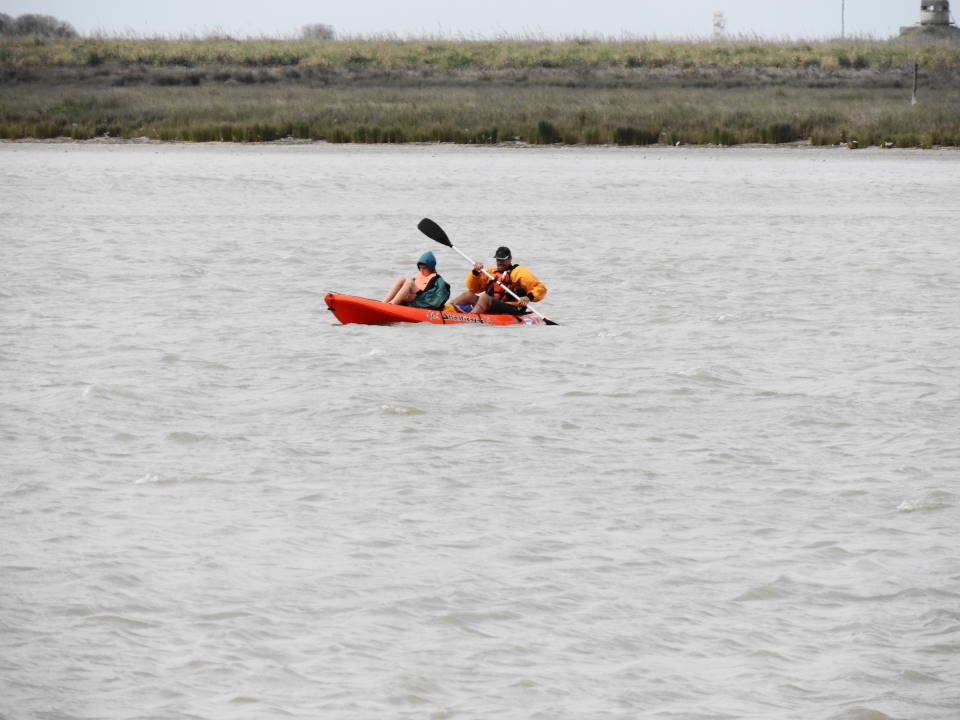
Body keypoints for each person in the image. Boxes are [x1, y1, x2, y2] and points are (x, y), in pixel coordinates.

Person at [450, 246, 547, 315]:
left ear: (510, 259)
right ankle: (447, 310)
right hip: (493, 305)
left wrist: (529, 297)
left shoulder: (519, 272)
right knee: (468, 294)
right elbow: (473, 289)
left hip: (513, 308)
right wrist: (475, 273)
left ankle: (470, 317)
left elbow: (541, 288)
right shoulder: (491, 272)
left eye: (502, 260)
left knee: (485, 297)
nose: (499, 263)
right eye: (498, 260)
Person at [382, 251, 450, 309]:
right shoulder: (419, 276)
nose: (421, 270)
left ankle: (392, 305)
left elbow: (439, 298)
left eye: (424, 268)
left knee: (409, 282)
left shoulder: (438, 280)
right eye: (420, 268)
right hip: (414, 297)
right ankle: (384, 303)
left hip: (424, 301)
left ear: (430, 267)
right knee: (401, 279)